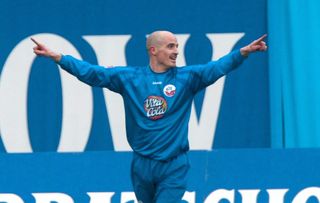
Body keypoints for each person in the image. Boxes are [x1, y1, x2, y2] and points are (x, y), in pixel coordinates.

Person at [31, 30, 267, 203]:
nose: (176, 51)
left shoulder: (188, 78)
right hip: (141, 164)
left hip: (174, 164)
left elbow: (217, 67)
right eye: (171, 46)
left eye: (177, 46)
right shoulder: (129, 78)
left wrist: (243, 52)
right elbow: (92, 74)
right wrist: (58, 57)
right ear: (154, 50)